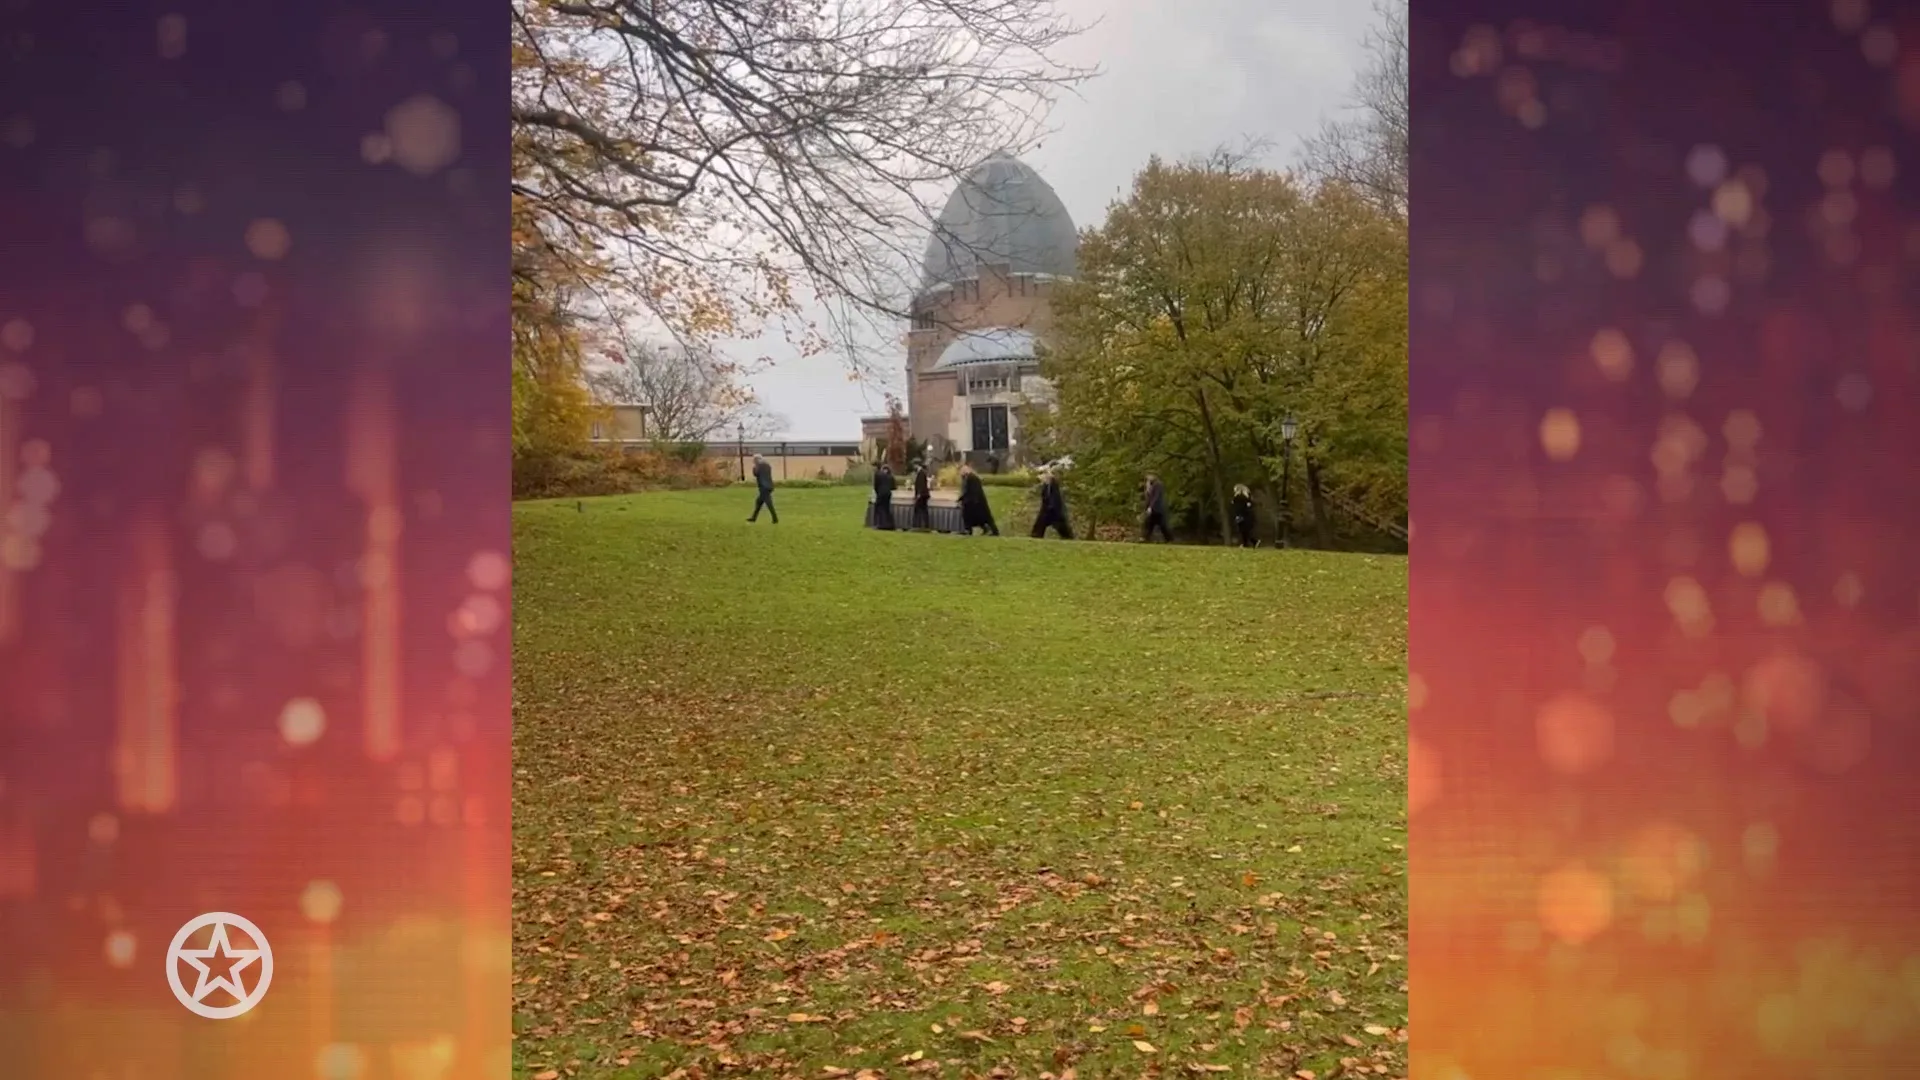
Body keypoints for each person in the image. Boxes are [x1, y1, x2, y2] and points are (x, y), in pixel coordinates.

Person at [1030, 468, 1074, 539]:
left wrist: (1052, 506)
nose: (1040, 479)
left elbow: (1056, 497)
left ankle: (1068, 537)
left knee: (1062, 526)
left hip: (1055, 509)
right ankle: (1036, 536)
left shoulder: (1053, 484)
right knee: (1040, 524)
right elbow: (1045, 498)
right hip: (1047, 509)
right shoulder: (1045, 486)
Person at [958, 462, 999, 535]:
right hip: (972, 501)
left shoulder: (972, 478)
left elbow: (974, 491)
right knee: (975, 517)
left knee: (984, 518)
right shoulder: (967, 478)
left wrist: (970, 500)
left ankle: (991, 530)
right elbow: (966, 491)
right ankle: (971, 530)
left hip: (976, 501)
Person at [1141, 473, 1172, 542]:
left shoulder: (1158, 485)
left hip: (1158, 509)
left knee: (1163, 526)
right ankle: (1145, 538)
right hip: (1153, 509)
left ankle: (1169, 539)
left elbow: (1156, 497)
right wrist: (1147, 488)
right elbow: (1148, 498)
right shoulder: (1150, 485)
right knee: (1148, 524)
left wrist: (1151, 507)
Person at [747, 455, 778, 523]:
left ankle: (775, 519)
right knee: (758, 502)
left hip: (763, 487)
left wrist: (754, 467)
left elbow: (756, 474)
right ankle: (753, 518)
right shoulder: (768, 465)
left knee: (769, 504)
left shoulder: (758, 466)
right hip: (769, 486)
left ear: (756, 460)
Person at [871, 460, 897, 530]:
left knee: (879, 508)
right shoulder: (885, 474)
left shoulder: (877, 474)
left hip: (881, 493)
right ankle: (890, 524)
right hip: (888, 493)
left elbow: (876, 486)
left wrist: (877, 494)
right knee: (886, 509)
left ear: (876, 467)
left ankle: (881, 524)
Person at [910, 460, 932, 531]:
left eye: (914, 465)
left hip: (922, 495)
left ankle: (917, 525)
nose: (913, 467)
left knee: (918, 510)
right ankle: (925, 525)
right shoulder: (922, 472)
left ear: (917, 465)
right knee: (923, 510)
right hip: (924, 495)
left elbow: (921, 484)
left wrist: (918, 494)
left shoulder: (921, 473)